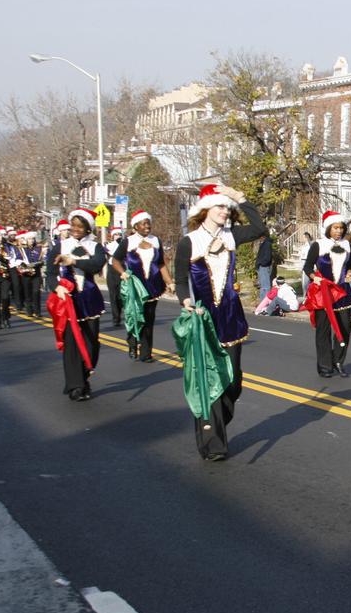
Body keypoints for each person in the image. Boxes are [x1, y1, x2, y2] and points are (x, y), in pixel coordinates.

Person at [174, 184, 266, 460]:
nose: (225, 211)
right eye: (220, 206)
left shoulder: (232, 236)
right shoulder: (189, 242)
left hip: (230, 315)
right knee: (210, 378)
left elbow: (260, 228)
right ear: (204, 210)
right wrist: (186, 301)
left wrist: (241, 198)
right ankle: (213, 441)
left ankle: (216, 424)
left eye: (228, 207)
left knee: (232, 380)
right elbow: (181, 279)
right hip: (204, 317)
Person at [46, 209, 106, 400]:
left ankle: (84, 375)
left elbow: (97, 265)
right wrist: (57, 288)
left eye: (80, 226)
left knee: (91, 344)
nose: (75, 229)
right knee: (72, 344)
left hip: (90, 299)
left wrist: (73, 261)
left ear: (88, 228)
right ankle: (75, 386)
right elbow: (50, 272)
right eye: (73, 225)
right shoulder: (61, 246)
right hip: (69, 300)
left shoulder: (95, 246)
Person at [112, 210, 175, 362]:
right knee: (134, 317)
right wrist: (123, 273)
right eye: (143, 223)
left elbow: (160, 264)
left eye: (148, 223)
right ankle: (133, 343)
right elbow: (115, 260)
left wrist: (170, 282)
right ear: (135, 226)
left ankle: (146, 353)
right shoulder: (128, 241)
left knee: (148, 319)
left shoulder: (156, 241)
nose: (147, 226)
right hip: (135, 288)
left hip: (153, 286)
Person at [304, 210, 351, 378]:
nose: (339, 231)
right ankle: (325, 366)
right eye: (335, 228)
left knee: (345, 328)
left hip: (342, 293)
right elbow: (307, 267)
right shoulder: (318, 245)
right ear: (328, 228)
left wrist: (350, 273)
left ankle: (338, 360)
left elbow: (350, 266)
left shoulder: (347, 245)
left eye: (341, 228)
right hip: (324, 293)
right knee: (323, 331)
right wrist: (314, 278)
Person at [16, 231, 44, 317]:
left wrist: (38, 263)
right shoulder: (22, 249)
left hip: (36, 273)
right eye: (29, 239)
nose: (31, 240)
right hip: (26, 273)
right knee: (27, 292)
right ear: (26, 240)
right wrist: (23, 265)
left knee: (36, 292)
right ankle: (29, 310)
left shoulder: (38, 248)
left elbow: (42, 260)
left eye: (32, 239)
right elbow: (18, 259)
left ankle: (37, 311)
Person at [103, 227, 124, 327]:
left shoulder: (124, 244)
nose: (118, 236)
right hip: (112, 271)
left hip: (122, 270)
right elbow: (109, 255)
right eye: (116, 234)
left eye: (119, 234)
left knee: (121, 295)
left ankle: (120, 313)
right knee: (113, 295)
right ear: (112, 236)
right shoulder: (110, 245)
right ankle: (116, 318)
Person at [256, 231, 274, 302]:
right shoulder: (264, 243)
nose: (259, 238)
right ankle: (262, 304)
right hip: (262, 267)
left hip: (264, 267)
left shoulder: (267, 244)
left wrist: (261, 263)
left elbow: (267, 257)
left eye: (260, 237)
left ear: (263, 236)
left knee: (266, 287)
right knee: (263, 287)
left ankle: (265, 304)